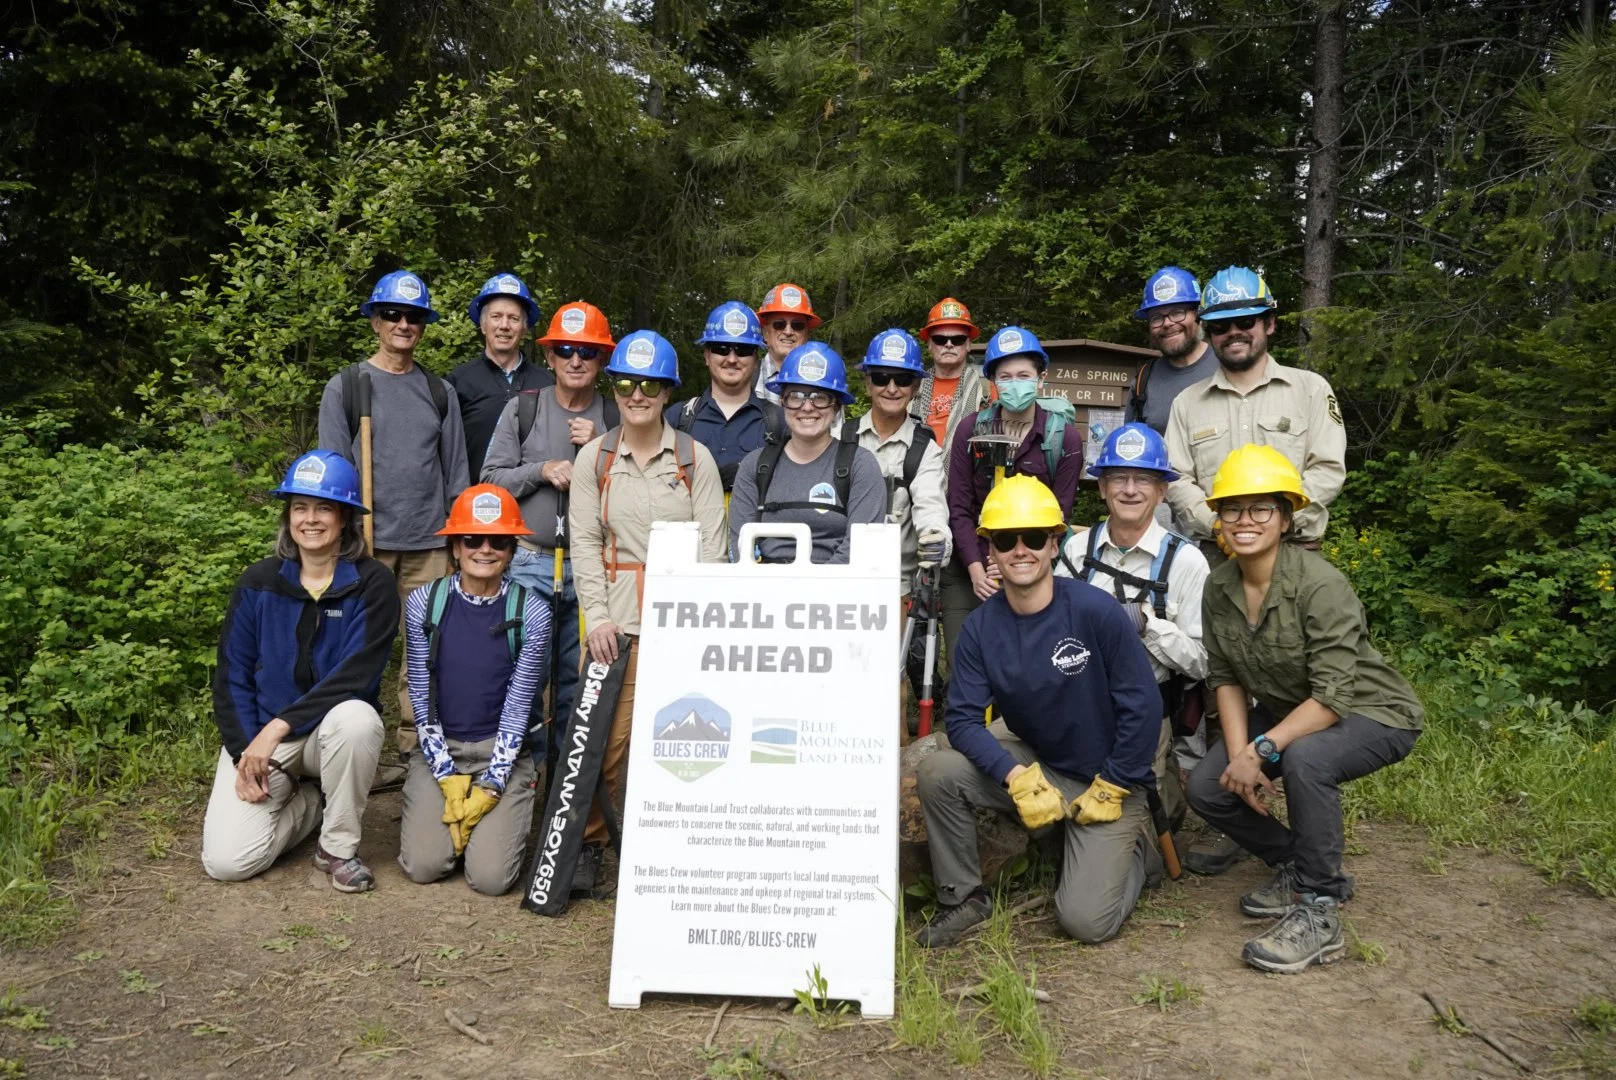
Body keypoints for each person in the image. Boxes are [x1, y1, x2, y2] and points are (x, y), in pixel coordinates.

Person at [1185, 446, 1422, 974]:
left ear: (1286, 517)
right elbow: (1224, 677)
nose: (1244, 521)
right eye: (1231, 510)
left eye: (1260, 509)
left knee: (1306, 759)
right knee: (1207, 785)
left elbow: (1334, 696)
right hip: (1295, 708)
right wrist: (1243, 754)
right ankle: (1295, 861)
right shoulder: (1218, 586)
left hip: (1373, 710)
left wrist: (1264, 748)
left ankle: (1321, 904)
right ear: (1218, 519)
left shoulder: (1320, 584)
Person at [915, 475, 1163, 947]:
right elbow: (964, 720)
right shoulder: (981, 629)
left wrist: (1115, 782)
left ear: (1055, 544)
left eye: (1034, 538)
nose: (1020, 550)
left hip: (1109, 778)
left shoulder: (1096, 611)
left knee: (1085, 922)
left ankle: (1136, 855)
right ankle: (964, 896)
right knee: (940, 771)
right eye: (1006, 540)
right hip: (1040, 766)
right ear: (990, 550)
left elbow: (1143, 706)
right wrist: (1013, 775)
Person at [569, 331, 728, 894]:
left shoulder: (692, 456)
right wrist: (597, 617)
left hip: (682, 615)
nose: (638, 394)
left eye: (650, 385)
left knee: (687, 735)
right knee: (606, 741)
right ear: (614, 388)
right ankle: (592, 842)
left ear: (666, 392)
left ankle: (672, 845)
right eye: (628, 383)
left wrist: (700, 621)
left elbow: (714, 543)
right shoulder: (596, 457)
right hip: (619, 615)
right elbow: (586, 543)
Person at [202, 451, 398, 892]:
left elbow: (355, 676)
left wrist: (276, 728)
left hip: (329, 734)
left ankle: (337, 847)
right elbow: (231, 676)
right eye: (300, 508)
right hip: (265, 738)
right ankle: (311, 801)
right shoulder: (258, 582)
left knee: (358, 719)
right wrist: (244, 750)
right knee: (227, 862)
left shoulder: (372, 583)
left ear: (345, 517)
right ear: (288, 516)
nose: (311, 519)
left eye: (324, 507)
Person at [318, 271, 469, 755]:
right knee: (357, 648)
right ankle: (351, 748)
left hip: (429, 544)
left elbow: (457, 474)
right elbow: (333, 475)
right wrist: (340, 541)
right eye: (392, 315)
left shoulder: (439, 391)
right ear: (374, 322)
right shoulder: (346, 387)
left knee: (424, 653)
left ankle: (412, 747)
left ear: (424, 325)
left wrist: (458, 541)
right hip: (366, 544)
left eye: (414, 316)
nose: (404, 324)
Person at [481, 300, 619, 761]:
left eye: (587, 351)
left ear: (602, 359)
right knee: (523, 679)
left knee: (578, 682)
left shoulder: (617, 417)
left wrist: (597, 453)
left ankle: (568, 788)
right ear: (550, 357)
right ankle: (523, 780)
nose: (575, 360)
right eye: (565, 350)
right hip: (528, 563)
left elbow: (634, 493)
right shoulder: (522, 408)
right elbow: (490, 481)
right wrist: (541, 469)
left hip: (595, 570)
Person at [1054, 423, 1209, 831]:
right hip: (1076, 699)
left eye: (1144, 478)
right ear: (1102, 487)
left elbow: (1202, 663)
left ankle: (1164, 800)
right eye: (1118, 477)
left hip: (1145, 711)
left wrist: (1148, 624)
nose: (1130, 489)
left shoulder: (1186, 562)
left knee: (1136, 829)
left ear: (1162, 491)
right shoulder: (1076, 550)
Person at [398, 484, 550, 895]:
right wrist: (446, 776)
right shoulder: (423, 604)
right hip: (439, 749)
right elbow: (421, 697)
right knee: (423, 867)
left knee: (491, 879)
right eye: (472, 539)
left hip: (501, 751)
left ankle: (490, 820)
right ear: (454, 547)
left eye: (499, 540)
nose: (485, 550)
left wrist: (492, 785)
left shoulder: (531, 611)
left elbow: (519, 706)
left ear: (512, 549)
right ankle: (449, 817)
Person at [1164, 266, 1346, 563]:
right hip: (1217, 556)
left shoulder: (1310, 390)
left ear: (1269, 323)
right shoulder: (1186, 403)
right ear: (1209, 335)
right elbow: (1176, 479)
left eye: (1246, 321)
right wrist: (1217, 525)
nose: (1233, 332)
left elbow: (1327, 470)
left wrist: (1276, 524)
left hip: (1295, 552)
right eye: (1221, 326)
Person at [941, 325, 1086, 667]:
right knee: (967, 663)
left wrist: (1015, 564)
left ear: (1041, 379)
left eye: (1023, 375)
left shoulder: (1063, 439)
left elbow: (1058, 517)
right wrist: (978, 568)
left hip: (1030, 563)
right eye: (1004, 376)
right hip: (971, 566)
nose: (1014, 383)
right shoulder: (971, 430)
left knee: (1026, 666)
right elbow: (958, 505)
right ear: (993, 382)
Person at [729, 342, 886, 564]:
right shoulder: (755, 466)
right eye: (796, 396)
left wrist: (809, 593)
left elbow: (861, 549)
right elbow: (740, 547)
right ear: (782, 402)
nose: (807, 407)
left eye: (820, 397)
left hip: (837, 592)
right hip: (764, 590)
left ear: (836, 407)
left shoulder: (860, 465)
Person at [852, 328, 950, 594]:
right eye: (882, 378)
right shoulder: (840, 439)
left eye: (903, 379)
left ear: (916, 387)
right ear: (867, 383)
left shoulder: (925, 450)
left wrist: (936, 539)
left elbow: (931, 505)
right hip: (841, 578)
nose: (892, 388)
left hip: (899, 587)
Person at [446, 273, 554, 482]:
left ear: (524, 328)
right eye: (496, 317)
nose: (504, 325)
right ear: (483, 324)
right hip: (474, 505)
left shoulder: (547, 383)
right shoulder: (458, 382)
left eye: (513, 318)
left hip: (534, 505)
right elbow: (447, 452)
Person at [667, 301, 784, 492]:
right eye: (721, 348)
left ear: (756, 360)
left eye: (743, 350)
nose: (731, 359)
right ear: (706, 356)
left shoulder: (779, 422)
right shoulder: (678, 418)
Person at [1125, 267, 1218, 436]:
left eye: (1177, 313)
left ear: (1198, 314)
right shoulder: (1143, 382)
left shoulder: (1227, 367)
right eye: (1156, 317)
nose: (1167, 323)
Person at [909, 297, 993, 454]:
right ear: (929, 344)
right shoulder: (910, 387)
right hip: (915, 473)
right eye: (940, 339)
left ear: (968, 344)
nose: (949, 344)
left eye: (958, 339)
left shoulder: (987, 389)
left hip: (968, 473)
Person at [753, 283, 820, 405]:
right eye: (779, 324)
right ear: (765, 333)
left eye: (797, 325)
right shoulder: (745, 378)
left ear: (806, 334)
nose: (788, 332)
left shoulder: (823, 379)